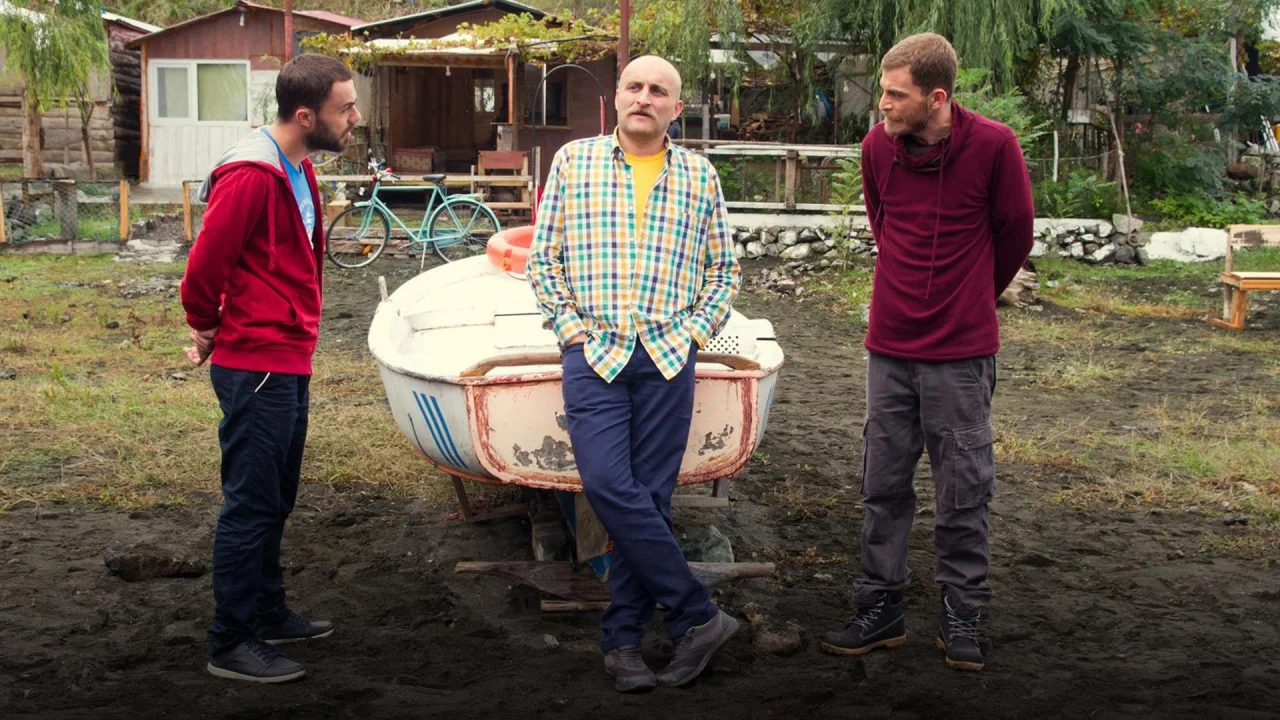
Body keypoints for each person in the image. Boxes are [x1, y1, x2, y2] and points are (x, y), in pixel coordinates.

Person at [526, 55, 742, 693]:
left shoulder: (699, 176)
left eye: (659, 91)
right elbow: (544, 258)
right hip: (595, 350)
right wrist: (570, 328)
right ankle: (698, 614)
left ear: (677, 108)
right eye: (635, 87)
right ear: (616, 98)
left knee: (650, 498)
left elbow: (723, 270)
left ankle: (621, 644)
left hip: (669, 355)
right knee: (605, 483)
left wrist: (696, 332)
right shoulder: (574, 162)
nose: (645, 97)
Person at [819, 33, 1034, 672]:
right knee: (881, 484)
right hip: (889, 347)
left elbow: (1015, 234)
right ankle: (880, 606)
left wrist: (968, 299)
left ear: (936, 98)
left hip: (960, 355)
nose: (882, 105)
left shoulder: (994, 146)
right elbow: (883, 223)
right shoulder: (875, 148)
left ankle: (962, 611)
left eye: (895, 95)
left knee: (963, 488)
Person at [180, 53, 361, 684]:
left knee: (276, 497)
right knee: (251, 502)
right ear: (306, 115)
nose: (355, 118)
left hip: (287, 356)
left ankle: (266, 609)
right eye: (345, 108)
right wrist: (204, 323)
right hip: (256, 361)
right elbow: (206, 264)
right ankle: (231, 640)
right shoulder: (252, 174)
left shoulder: (299, 167)